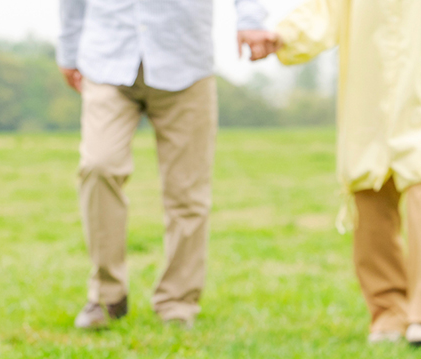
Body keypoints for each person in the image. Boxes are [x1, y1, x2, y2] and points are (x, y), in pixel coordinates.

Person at [269, 0, 421, 348]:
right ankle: (388, 311)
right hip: (370, 93)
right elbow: (324, 12)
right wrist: (283, 36)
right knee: (371, 195)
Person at [58, 0, 277, 330]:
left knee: (187, 191)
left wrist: (250, 20)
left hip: (184, 61)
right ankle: (107, 295)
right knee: (98, 166)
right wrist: (69, 51)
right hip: (107, 58)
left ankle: (177, 302)